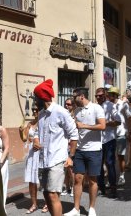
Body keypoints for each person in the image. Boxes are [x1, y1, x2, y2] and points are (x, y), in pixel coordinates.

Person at [33, 79, 78, 216]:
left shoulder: (61, 112)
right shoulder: (41, 114)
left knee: (53, 195)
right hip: (43, 160)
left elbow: (74, 134)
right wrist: (35, 139)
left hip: (57, 159)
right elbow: (36, 131)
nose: (35, 100)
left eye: (36, 97)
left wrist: (71, 157)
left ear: (43, 97)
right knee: (46, 193)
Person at [65, 87, 106, 216]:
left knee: (93, 180)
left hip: (94, 150)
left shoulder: (96, 108)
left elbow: (102, 126)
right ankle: (76, 209)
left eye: (75, 97)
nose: (73, 99)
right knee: (77, 179)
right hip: (80, 150)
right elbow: (75, 131)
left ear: (82, 96)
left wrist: (84, 126)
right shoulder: (76, 111)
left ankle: (92, 208)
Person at [20, 107, 46, 214]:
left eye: (36, 109)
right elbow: (24, 138)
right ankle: (34, 203)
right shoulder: (30, 124)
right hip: (31, 154)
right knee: (31, 180)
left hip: (42, 154)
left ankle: (47, 203)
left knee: (44, 181)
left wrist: (40, 144)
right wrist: (21, 131)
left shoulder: (45, 122)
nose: (34, 111)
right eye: (33, 109)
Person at [96, 87, 120, 198]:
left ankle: (113, 187)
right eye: (96, 95)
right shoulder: (94, 107)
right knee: (98, 165)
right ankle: (101, 188)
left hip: (109, 139)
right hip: (97, 140)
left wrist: (106, 123)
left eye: (100, 95)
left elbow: (118, 121)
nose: (98, 97)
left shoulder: (111, 106)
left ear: (105, 95)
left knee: (110, 163)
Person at [62, 98, 77, 198]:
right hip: (63, 144)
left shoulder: (75, 117)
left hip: (71, 144)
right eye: (65, 104)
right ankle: (66, 186)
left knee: (71, 168)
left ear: (73, 106)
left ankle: (73, 188)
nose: (67, 106)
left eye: (69, 104)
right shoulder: (63, 115)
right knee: (65, 168)